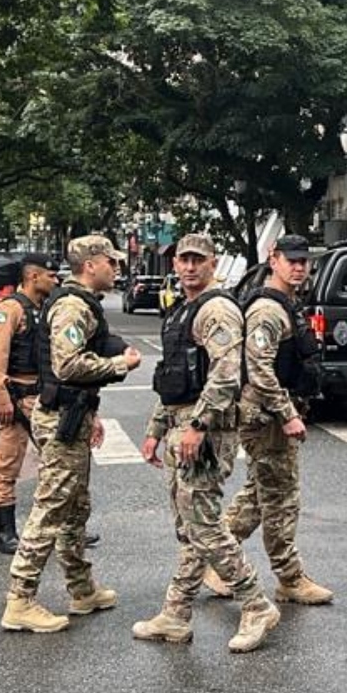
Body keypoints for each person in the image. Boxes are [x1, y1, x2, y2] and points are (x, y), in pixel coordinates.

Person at [134, 233, 280, 654]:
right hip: (183, 424)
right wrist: (155, 429)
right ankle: (176, 612)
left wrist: (198, 425)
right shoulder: (185, 309)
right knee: (191, 529)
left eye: (198, 260)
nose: (189, 267)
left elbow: (226, 374)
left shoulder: (216, 309)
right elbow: (175, 377)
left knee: (204, 526)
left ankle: (255, 603)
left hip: (206, 431)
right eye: (183, 259)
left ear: (213, 263)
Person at [0, 234, 140, 634]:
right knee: (51, 508)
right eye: (111, 262)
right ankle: (20, 599)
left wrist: (90, 412)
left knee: (75, 507)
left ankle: (81, 589)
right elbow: (68, 365)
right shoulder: (74, 307)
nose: (116, 268)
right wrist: (118, 365)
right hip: (60, 419)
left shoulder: (79, 303)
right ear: (91, 263)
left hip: (73, 414)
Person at [208, 233, 332, 606]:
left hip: (270, 414)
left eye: (303, 261)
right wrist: (287, 413)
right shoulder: (267, 309)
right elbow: (258, 368)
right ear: (272, 259)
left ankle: (216, 560)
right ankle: (289, 578)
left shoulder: (286, 304)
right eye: (291, 260)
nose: (298, 267)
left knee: (260, 494)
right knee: (280, 497)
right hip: (266, 417)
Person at [0, 252, 57, 554]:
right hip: (16, 397)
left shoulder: (46, 309)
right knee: (6, 465)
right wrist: (1, 397)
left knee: (57, 464)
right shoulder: (10, 309)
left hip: (43, 397)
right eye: (50, 275)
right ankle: (6, 532)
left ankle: (60, 528)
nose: (55, 280)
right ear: (33, 276)